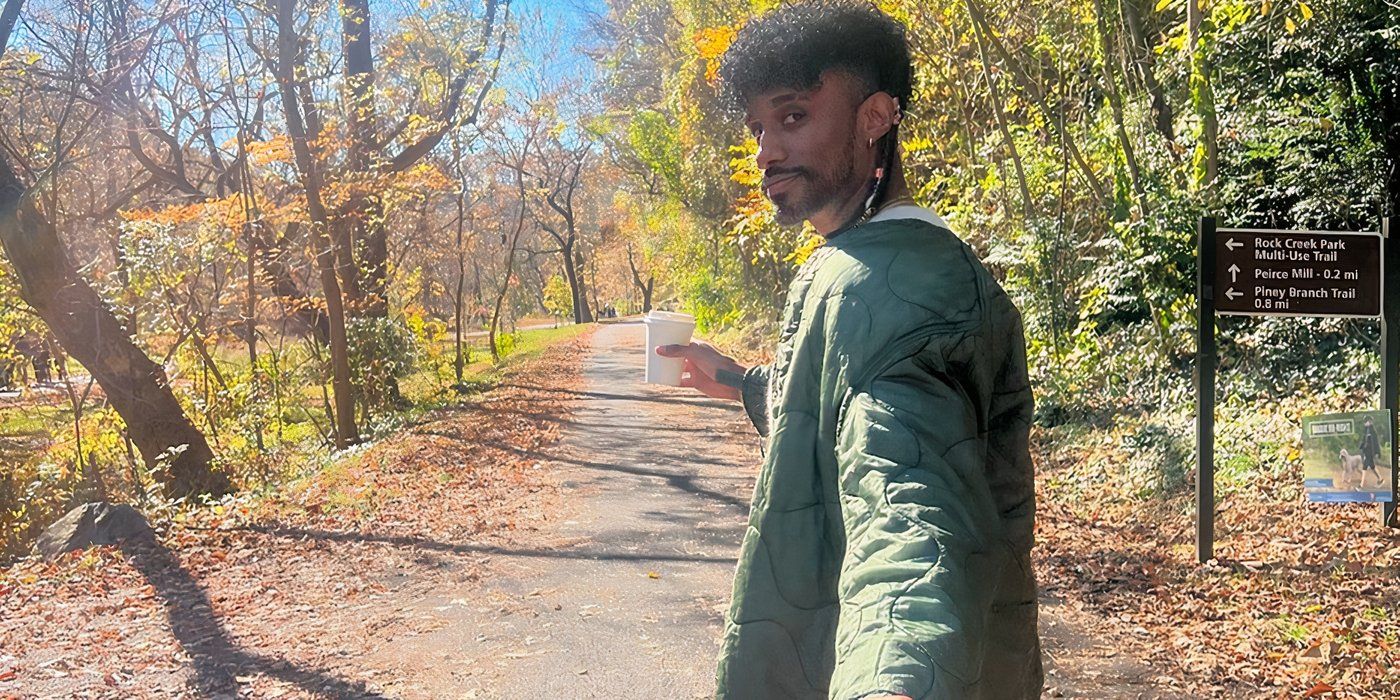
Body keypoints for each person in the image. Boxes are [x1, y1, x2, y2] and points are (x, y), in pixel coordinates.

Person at [655, 3, 1042, 698]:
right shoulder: (897, 263)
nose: (766, 150)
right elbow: (850, 411)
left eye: (795, 116)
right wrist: (744, 383)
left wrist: (894, 678)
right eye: (758, 129)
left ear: (875, 118)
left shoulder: (880, 288)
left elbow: (909, 501)